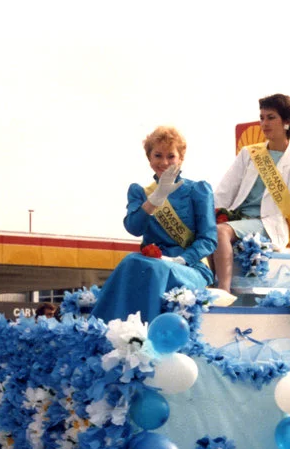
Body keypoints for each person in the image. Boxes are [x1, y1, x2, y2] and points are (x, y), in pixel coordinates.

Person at [92, 126, 217, 323]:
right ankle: (107, 330)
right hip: (151, 262)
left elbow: (208, 240)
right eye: (158, 155)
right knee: (131, 261)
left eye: (171, 156)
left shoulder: (197, 190)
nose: (164, 162)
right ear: (149, 159)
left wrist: (181, 260)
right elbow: (134, 228)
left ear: (181, 158)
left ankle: (147, 332)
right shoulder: (140, 192)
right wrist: (155, 199)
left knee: (156, 270)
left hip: (190, 267)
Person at [211, 94, 290, 291]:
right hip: (240, 219)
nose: (264, 123)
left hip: (269, 224)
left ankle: (223, 290)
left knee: (220, 231)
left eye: (271, 117)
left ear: (287, 122)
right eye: (262, 118)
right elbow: (224, 192)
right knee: (208, 229)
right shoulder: (249, 153)